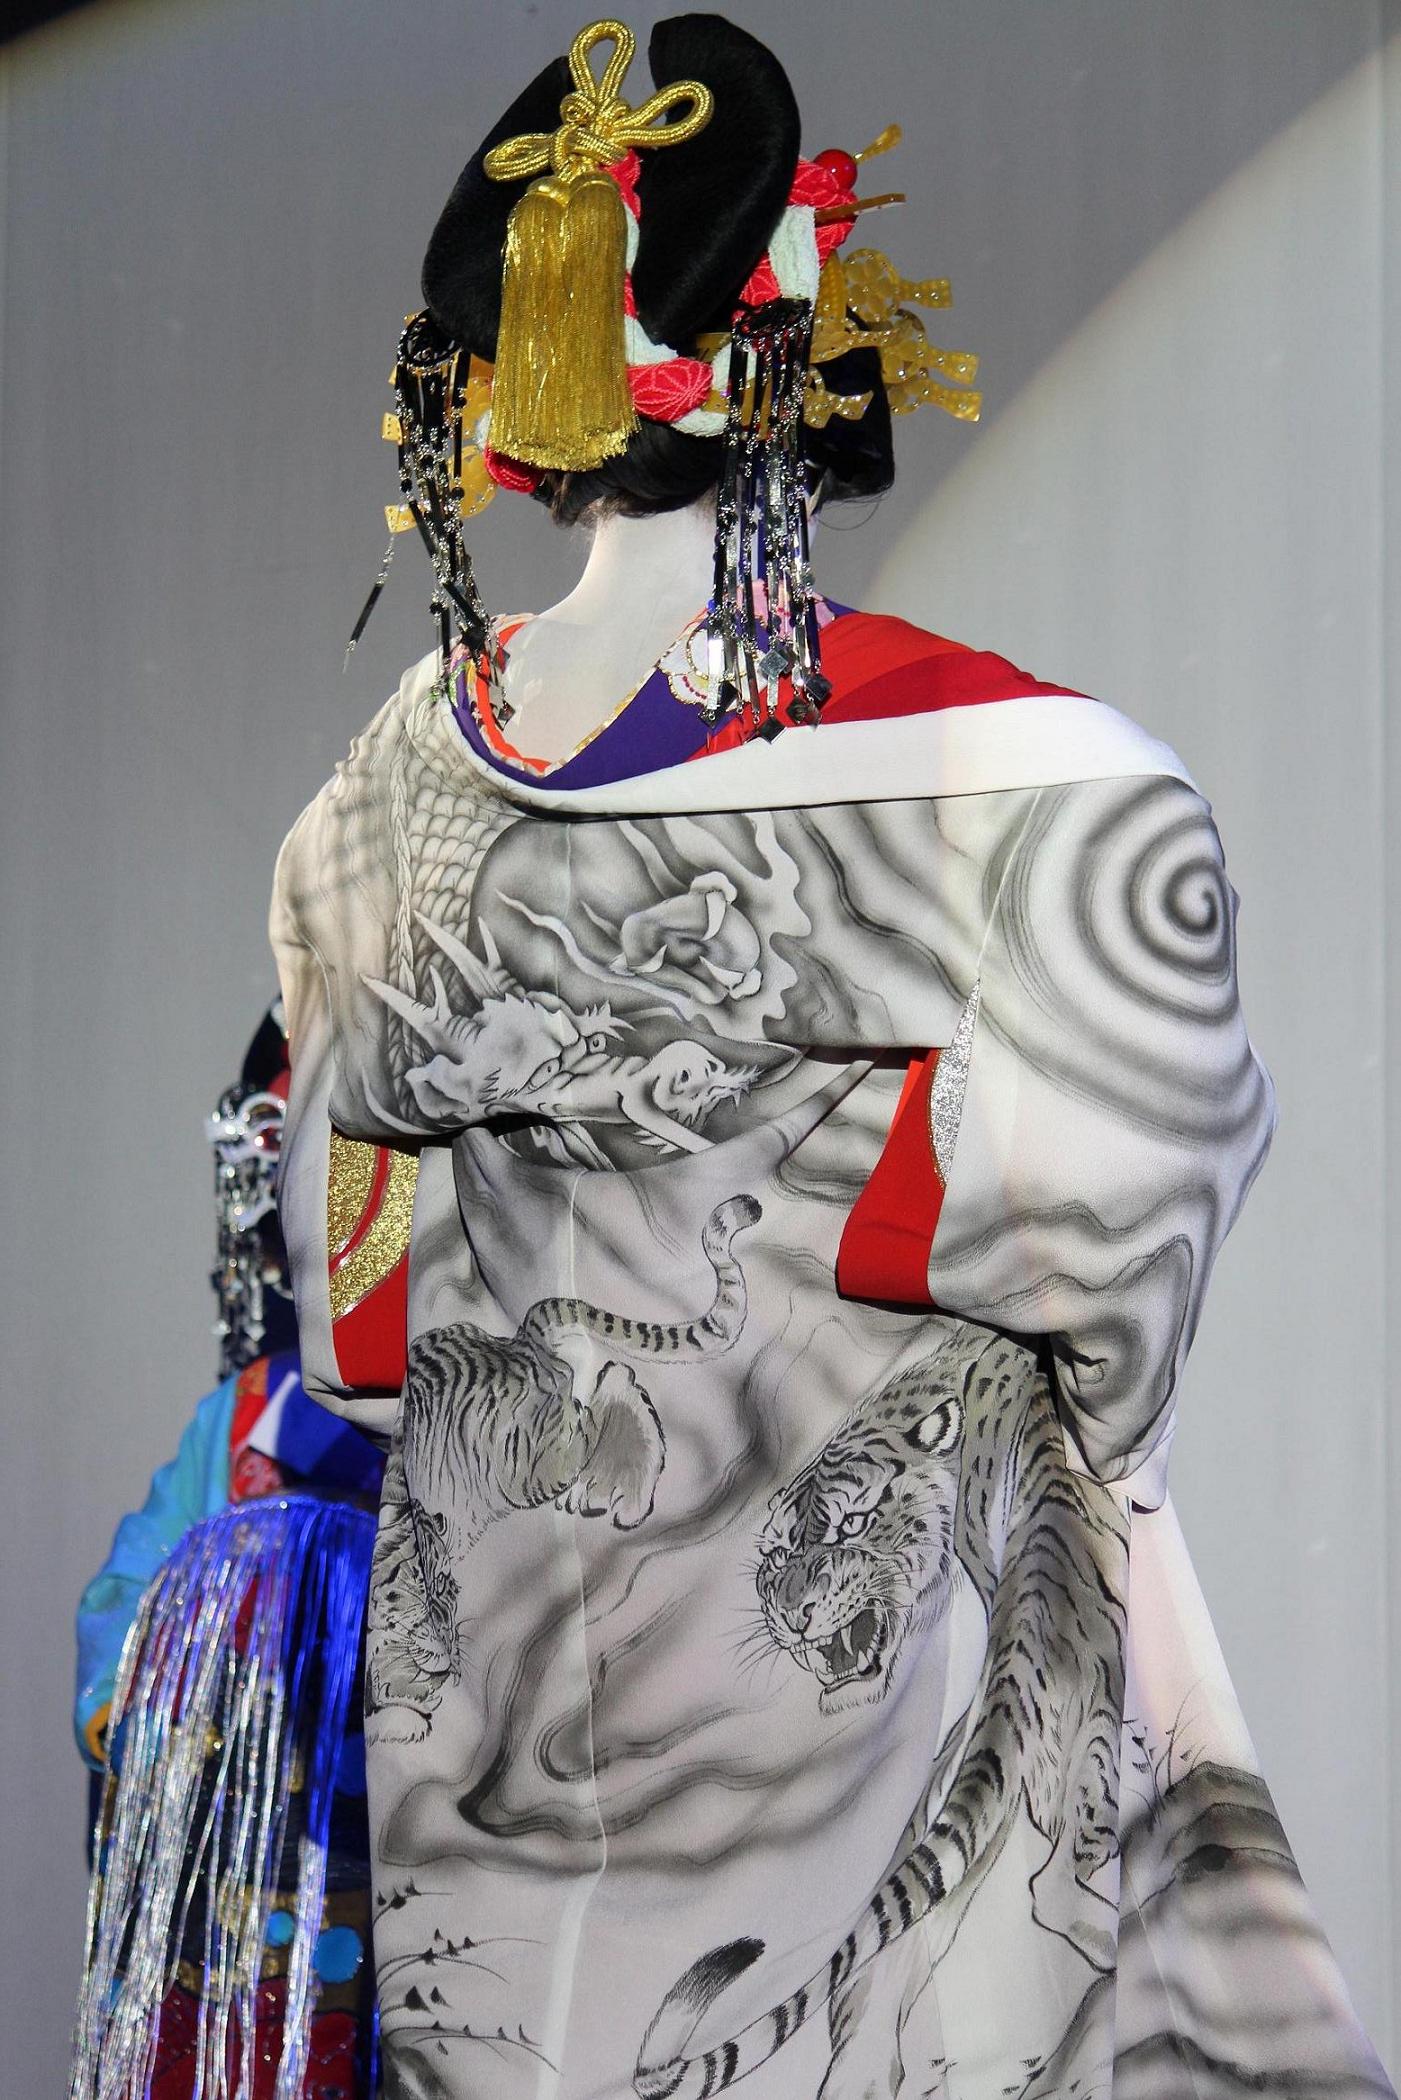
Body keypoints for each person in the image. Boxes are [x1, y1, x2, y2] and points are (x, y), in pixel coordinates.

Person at [270, 15, 1397, 2098]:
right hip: (836, 1637)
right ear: (788, 371)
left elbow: (347, 1291)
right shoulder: (1024, 784)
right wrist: (882, 1210)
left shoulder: (386, 784)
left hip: (494, 1636)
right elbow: (1113, 1222)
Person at [70, 1009, 388, 2100]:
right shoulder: (243, 1415)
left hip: (385, 1848)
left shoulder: (452, 1421)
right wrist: (133, 1697)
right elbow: (129, 1581)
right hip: (229, 1850)